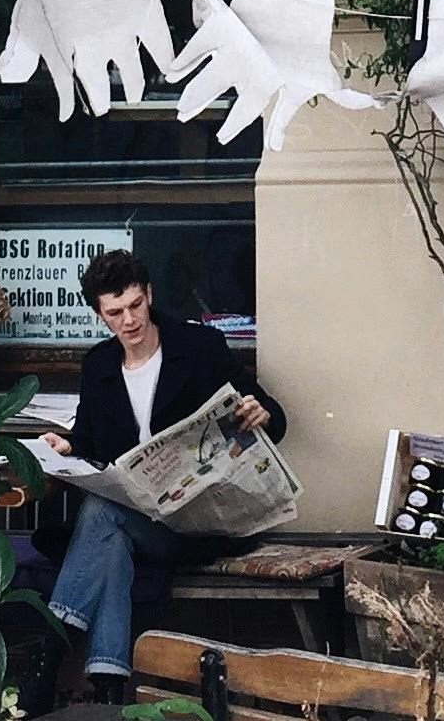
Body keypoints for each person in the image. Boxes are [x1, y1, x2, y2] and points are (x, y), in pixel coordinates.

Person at [41, 249, 286, 697]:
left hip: (195, 525)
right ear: (100, 315)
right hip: (135, 519)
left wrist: (261, 412)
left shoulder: (198, 348)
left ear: (149, 295)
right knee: (109, 533)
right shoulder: (98, 365)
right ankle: (111, 687)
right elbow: (90, 439)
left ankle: (52, 648)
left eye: (135, 305)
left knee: (101, 515)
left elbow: (274, 416)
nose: (129, 320)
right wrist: (68, 446)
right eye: (114, 312)